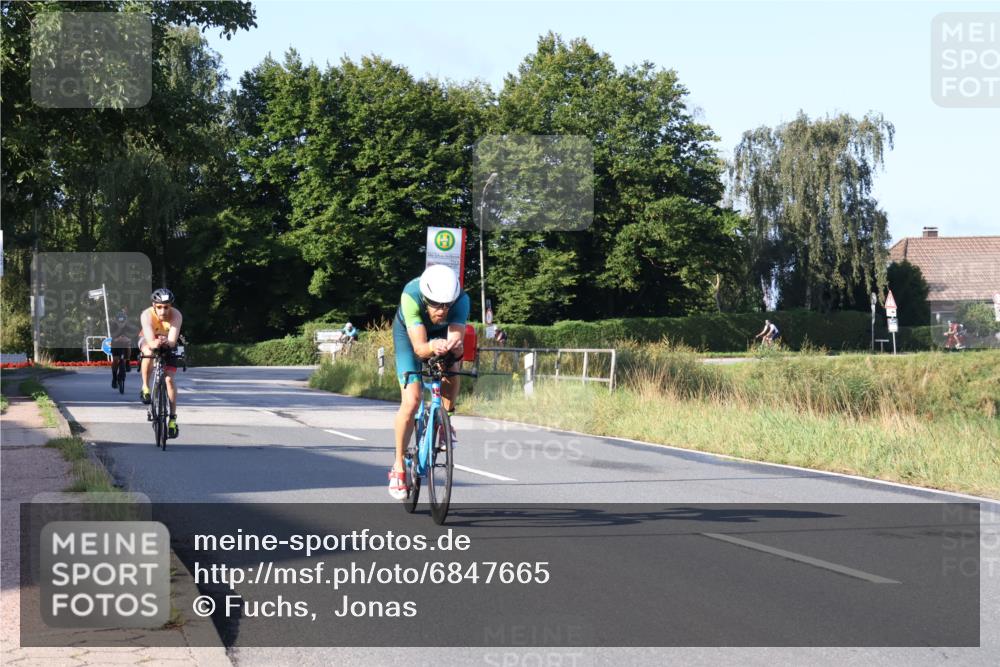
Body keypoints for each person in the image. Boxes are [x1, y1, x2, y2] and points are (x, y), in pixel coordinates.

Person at [389, 264, 470, 499]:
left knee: (453, 366)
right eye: (435, 304)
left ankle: (446, 422)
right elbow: (420, 348)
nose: (442, 311)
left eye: (447, 305)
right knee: (412, 400)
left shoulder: (461, 300)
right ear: (425, 298)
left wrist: (453, 347)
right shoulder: (411, 296)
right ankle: (398, 468)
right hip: (409, 336)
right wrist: (433, 346)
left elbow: (456, 340)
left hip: (441, 335)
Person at [138, 289, 184, 438]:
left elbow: (171, 341)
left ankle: (172, 419)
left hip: (167, 342)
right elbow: (151, 341)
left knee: (169, 379)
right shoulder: (146, 315)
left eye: (166, 307)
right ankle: (145, 386)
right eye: (159, 307)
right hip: (148, 339)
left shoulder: (176, 315)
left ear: (171, 306)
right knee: (149, 352)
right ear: (153, 305)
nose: (163, 310)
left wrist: (166, 342)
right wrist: (155, 342)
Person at [110, 308, 134, 388]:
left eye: (123, 322)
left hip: (125, 343)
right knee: (115, 360)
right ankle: (114, 378)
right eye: (119, 322)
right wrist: (117, 338)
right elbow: (112, 335)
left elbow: (133, 333)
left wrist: (129, 338)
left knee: (128, 345)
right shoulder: (113, 325)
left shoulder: (128, 325)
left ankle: (127, 361)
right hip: (116, 344)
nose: (121, 323)